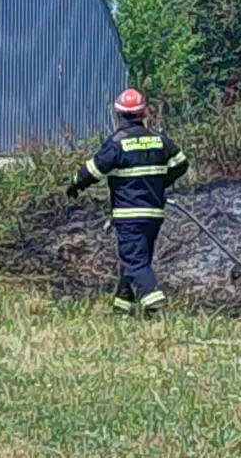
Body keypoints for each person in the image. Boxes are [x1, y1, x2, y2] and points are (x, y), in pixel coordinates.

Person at [65, 88, 188, 316]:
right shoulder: (159, 140)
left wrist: (74, 184)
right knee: (137, 257)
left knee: (135, 261)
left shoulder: (117, 143)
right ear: (144, 113)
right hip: (154, 213)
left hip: (128, 215)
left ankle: (153, 299)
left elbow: (92, 170)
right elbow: (181, 163)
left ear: (119, 115)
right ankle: (123, 305)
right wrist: (160, 183)